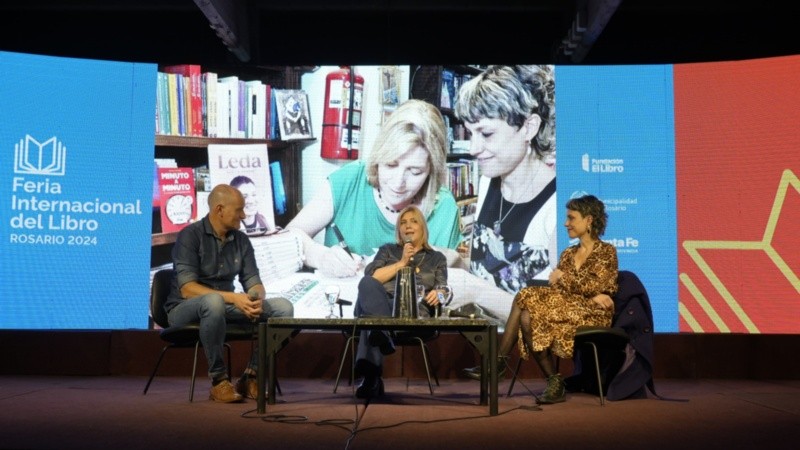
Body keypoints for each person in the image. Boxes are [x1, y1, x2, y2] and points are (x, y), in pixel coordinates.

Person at [462, 195, 618, 405]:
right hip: (565, 306)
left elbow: (597, 286)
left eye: (571, 218)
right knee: (526, 316)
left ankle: (498, 363)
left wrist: (567, 279)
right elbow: (559, 288)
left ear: (589, 220)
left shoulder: (606, 252)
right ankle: (554, 382)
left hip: (592, 313)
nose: (566, 223)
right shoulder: (568, 254)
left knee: (525, 297)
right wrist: (582, 288)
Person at [286, 99, 461, 278]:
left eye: (415, 171)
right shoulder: (349, 179)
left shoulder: (444, 207)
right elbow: (290, 236)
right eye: (391, 164)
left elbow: (448, 282)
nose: (398, 182)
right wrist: (321, 257)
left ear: (432, 171)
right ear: (378, 155)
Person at [164, 184, 294, 403]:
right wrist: (235, 298)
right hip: (184, 309)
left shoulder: (241, 240)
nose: (244, 215)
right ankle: (219, 381)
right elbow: (187, 289)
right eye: (239, 210)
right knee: (213, 301)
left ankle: (250, 376)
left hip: (223, 307)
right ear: (219, 209)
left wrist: (254, 299)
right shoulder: (190, 236)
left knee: (284, 308)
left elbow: (254, 282)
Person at [454, 65, 557, 294]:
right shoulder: (486, 182)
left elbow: (556, 318)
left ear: (529, 128)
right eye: (471, 133)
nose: (473, 148)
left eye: (487, 134)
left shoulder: (559, 207)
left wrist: (476, 292)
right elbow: (484, 270)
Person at [352, 206, 448, 399]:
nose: (408, 226)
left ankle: (371, 378)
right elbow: (373, 277)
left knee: (370, 321)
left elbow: (443, 289)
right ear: (398, 230)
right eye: (403, 223)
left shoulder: (437, 258)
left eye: (413, 221)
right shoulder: (387, 250)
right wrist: (401, 263)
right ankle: (381, 332)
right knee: (367, 285)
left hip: (414, 313)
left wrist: (439, 293)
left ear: (423, 228)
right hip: (381, 304)